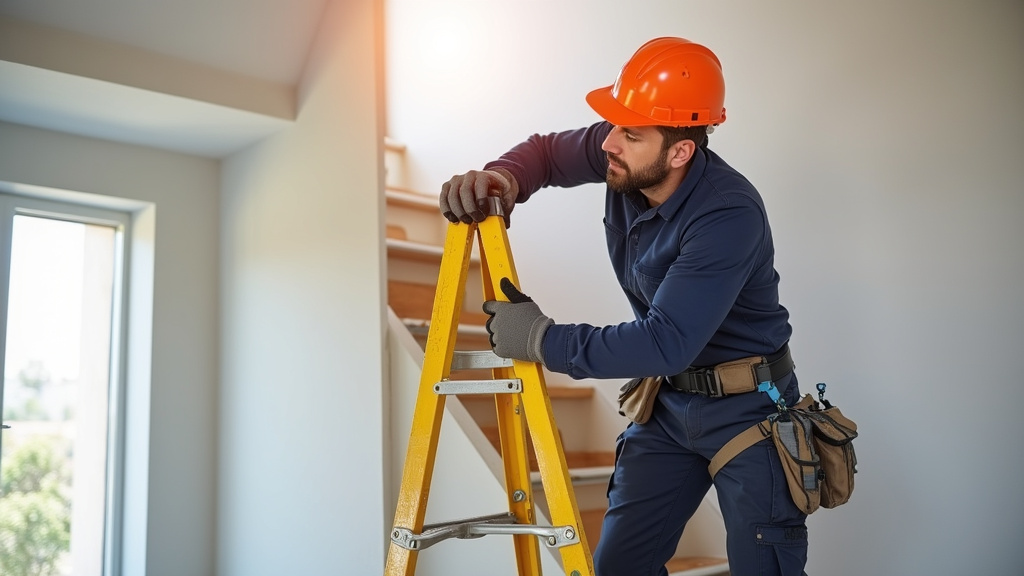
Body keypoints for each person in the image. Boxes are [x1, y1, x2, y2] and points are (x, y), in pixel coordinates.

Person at [438, 37, 807, 576]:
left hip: (749, 410)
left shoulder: (728, 213)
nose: (608, 142)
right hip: (670, 406)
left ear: (681, 151)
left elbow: (665, 340)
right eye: (613, 125)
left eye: (630, 134)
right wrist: (501, 178)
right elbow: (543, 154)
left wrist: (542, 338)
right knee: (619, 568)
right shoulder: (629, 153)